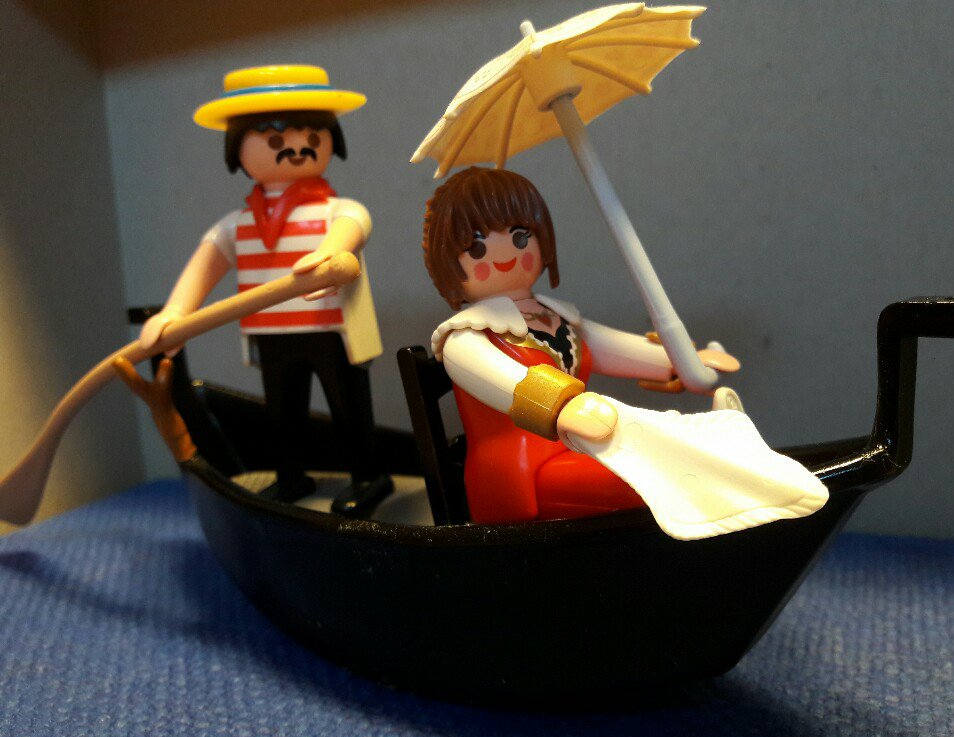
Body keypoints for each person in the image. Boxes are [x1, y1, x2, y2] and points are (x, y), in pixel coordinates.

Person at [423, 167, 739, 524]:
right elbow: (505, 381)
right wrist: (560, 407)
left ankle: (716, 444)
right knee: (646, 473)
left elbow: (613, 346)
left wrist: (680, 361)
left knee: (657, 449)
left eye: (521, 237)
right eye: (477, 247)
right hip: (521, 473)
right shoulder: (464, 338)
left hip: (578, 444)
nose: (504, 255)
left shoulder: (557, 318)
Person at [140, 65, 391, 511]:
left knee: (348, 407)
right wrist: (175, 313)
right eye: (276, 141)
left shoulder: (335, 210)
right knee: (282, 413)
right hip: (272, 334)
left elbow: (354, 227)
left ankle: (367, 476)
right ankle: (290, 476)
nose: (296, 148)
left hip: (332, 330)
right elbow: (204, 267)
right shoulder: (237, 225)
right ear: (237, 148)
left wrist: (329, 252)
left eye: (311, 137)